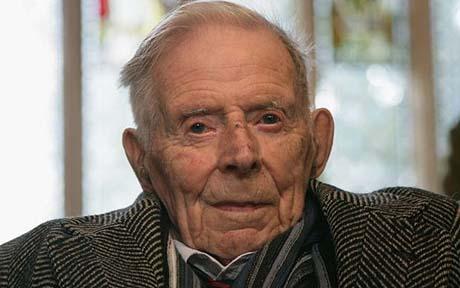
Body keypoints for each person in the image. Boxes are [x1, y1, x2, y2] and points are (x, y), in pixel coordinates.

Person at [1, 1, 459, 287]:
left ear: (318, 142)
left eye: (269, 119)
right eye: (199, 127)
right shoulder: (38, 267)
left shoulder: (441, 244)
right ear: (142, 161)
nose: (241, 156)